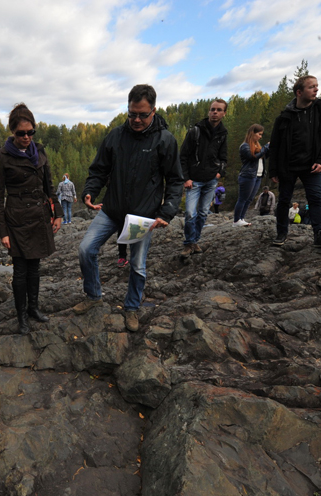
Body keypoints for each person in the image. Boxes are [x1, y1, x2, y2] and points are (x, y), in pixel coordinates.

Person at [75, 84, 183, 332]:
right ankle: (93, 296)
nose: (135, 119)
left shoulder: (165, 140)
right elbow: (99, 169)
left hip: (141, 218)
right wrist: (89, 191)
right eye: (131, 113)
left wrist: (166, 212)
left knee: (137, 265)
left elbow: (175, 180)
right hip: (112, 210)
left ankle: (132, 308)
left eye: (142, 115)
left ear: (153, 111)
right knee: (85, 249)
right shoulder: (115, 135)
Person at [0, 103, 62, 334]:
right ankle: (21, 316)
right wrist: (2, 231)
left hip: (39, 216)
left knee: (35, 268)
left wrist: (58, 214)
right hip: (16, 220)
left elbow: (49, 187)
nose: (26, 137)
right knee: (20, 271)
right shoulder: (1, 157)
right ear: (13, 132)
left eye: (30, 132)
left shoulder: (39, 152)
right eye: (21, 133)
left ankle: (33, 308)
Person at [269, 75, 321, 247]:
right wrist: (273, 170)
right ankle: (281, 233)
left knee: (316, 198)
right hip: (288, 166)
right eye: (311, 87)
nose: (316, 89)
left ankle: (320, 234)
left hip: (313, 165)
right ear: (299, 92)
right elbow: (275, 145)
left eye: (317, 86)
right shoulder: (284, 117)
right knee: (284, 200)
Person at [180, 99, 228, 254]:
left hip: (211, 179)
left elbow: (224, 157)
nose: (215, 112)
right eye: (212, 109)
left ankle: (194, 241)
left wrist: (220, 172)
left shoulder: (223, 133)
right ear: (209, 111)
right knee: (189, 213)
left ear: (224, 113)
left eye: (219, 110)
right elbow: (183, 156)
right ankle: (189, 242)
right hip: (193, 180)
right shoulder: (195, 131)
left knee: (202, 213)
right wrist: (186, 178)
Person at [233, 124, 270, 227]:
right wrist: (266, 147)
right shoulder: (245, 146)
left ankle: (241, 218)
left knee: (249, 199)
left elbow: (264, 156)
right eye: (259, 134)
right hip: (248, 176)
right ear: (252, 133)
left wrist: (269, 149)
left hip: (257, 176)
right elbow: (252, 157)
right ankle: (236, 221)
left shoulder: (257, 146)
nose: (260, 137)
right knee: (242, 198)